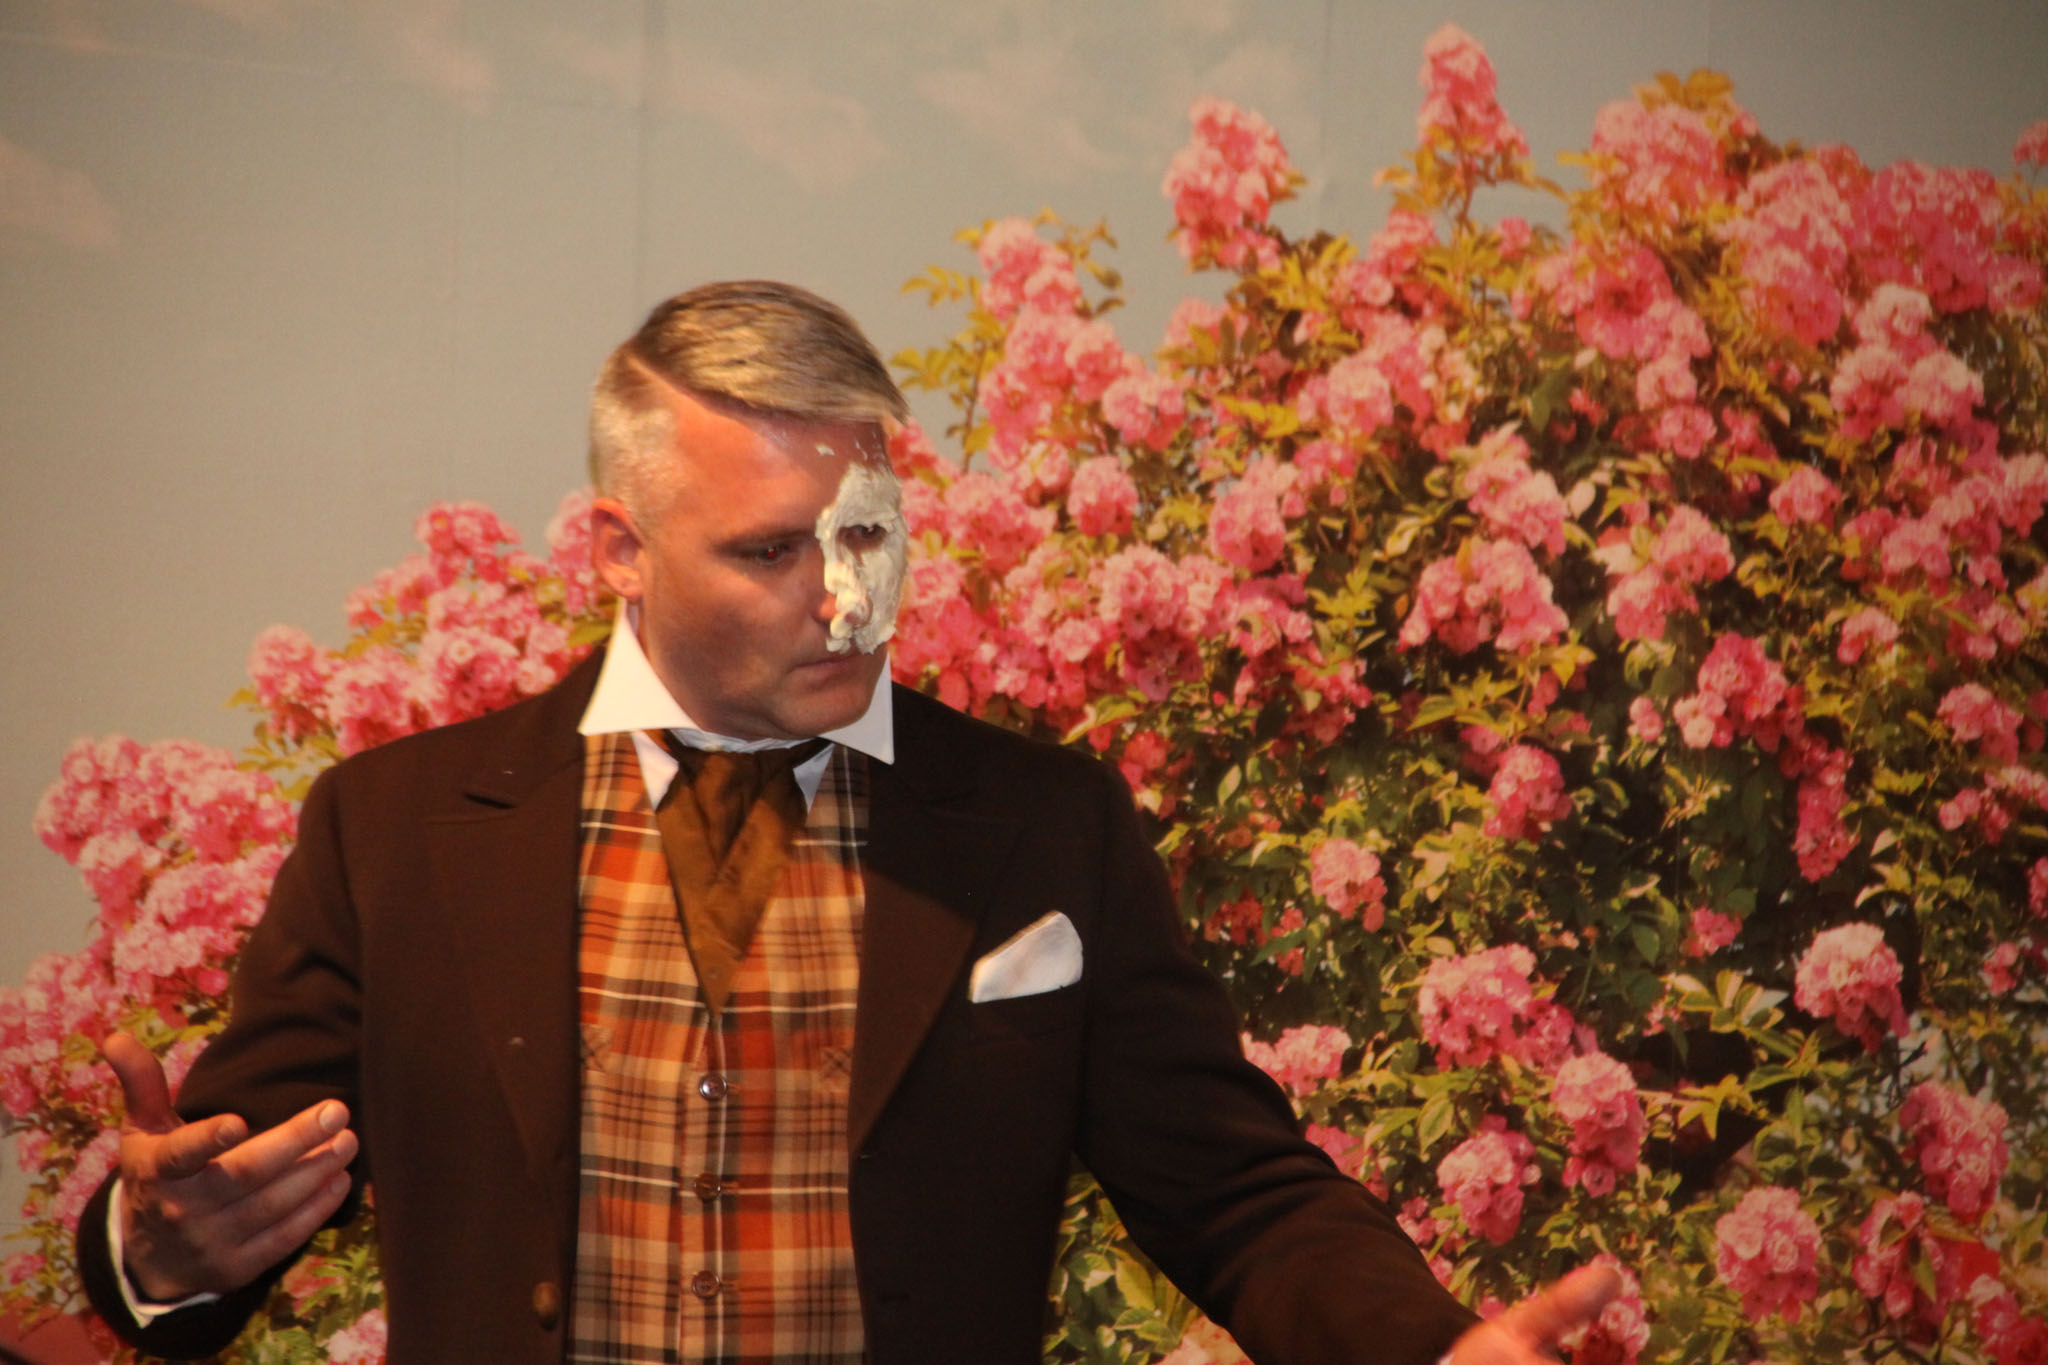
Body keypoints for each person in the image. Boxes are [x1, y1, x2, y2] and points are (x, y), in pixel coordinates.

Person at [77, 281, 1617, 1363]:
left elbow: (1236, 1191)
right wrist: (158, 1255)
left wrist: (1426, 1348)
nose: (845, 594)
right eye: (770, 551)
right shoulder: (398, 828)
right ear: (618, 547)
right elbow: (214, 1186)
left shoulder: (1042, 827)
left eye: (868, 532)